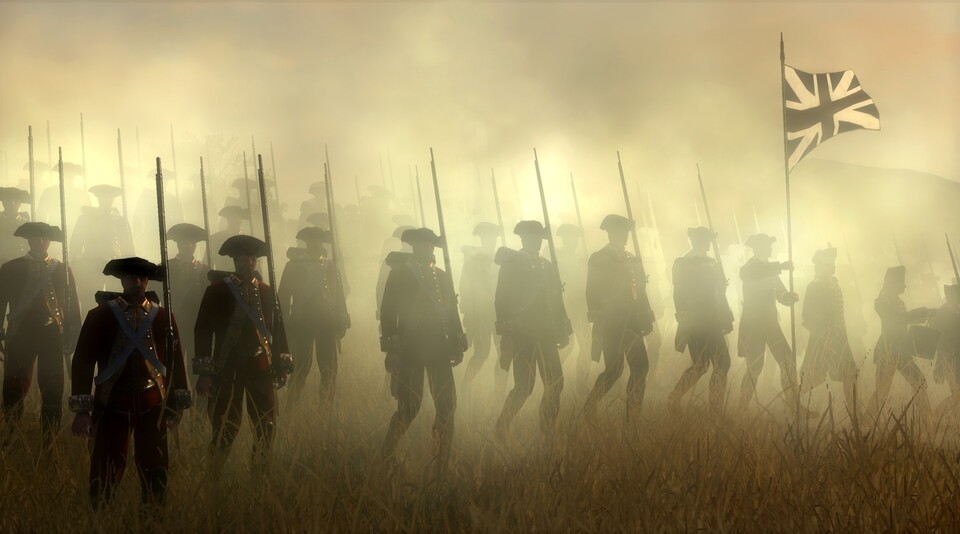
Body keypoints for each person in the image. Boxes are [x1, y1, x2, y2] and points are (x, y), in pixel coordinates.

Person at [69, 257, 191, 508]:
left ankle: (153, 519)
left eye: (142, 278)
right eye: (132, 278)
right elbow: (82, 362)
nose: (137, 282)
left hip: (152, 402)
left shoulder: (163, 317)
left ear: (147, 281)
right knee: (106, 467)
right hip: (112, 401)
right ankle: (101, 518)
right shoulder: (100, 315)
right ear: (122, 281)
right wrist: (82, 410)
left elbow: (176, 361)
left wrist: (176, 401)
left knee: (155, 466)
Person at [194, 235, 292, 477]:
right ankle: (213, 478)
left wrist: (281, 363)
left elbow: (277, 330)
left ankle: (260, 478)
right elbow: (203, 331)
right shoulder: (217, 291)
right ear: (234, 261)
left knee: (266, 426)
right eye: (242, 259)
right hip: (229, 368)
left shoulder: (268, 292)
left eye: (251, 259)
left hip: (260, 367)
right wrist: (206, 372)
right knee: (225, 427)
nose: (248, 264)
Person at [379, 228, 464, 466]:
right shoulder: (399, 274)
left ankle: (441, 454)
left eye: (429, 245)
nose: (425, 249)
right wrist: (392, 349)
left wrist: (457, 342)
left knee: (447, 403)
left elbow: (451, 311)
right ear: (414, 246)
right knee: (409, 406)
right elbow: (388, 313)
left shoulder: (442, 275)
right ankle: (388, 451)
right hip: (411, 348)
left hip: (439, 347)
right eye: (421, 245)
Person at [0, 222, 80, 446]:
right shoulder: (10, 268)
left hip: (51, 334)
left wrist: (73, 332)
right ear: (29, 240)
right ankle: (11, 435)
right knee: (14, 389)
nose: (40, 242)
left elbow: (72, 305)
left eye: (45, 238)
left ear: (49, 241)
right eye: (36, 238)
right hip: (20, 333)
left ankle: (50, 440)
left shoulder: (62, 270)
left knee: (53, 388)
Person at [494, 220, 570, 441]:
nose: (537, 240)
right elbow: (501, 299)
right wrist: (507, 333)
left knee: (555, 382)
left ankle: (547, 429)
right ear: (523, 238)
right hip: (523, 333)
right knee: (525, 386)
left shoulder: (547, 265)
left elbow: (556, 298)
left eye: (539, 236)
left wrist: (563, 325)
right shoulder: (512, 263)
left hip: (546, 333)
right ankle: (502, 425)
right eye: (532, 236)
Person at [582, 215, 654, 421]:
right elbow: (591, 289)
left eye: (626, 232)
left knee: (640, 367)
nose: (625, 236)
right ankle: (590, 406)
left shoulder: (631, 258)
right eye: (622, 232)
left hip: (632, 321)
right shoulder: (599, 258)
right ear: (612, 233)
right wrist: (601, 315)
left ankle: (632, 418)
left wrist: (647, 317)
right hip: (611, 322)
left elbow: (640, 291)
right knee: (614, 370)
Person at [735, 234, 809, 416]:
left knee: (788, 361)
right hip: (753, 325)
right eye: (767, 246)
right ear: (758, 248)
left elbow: (780, 293)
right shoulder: (750, 267)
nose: (770, 249)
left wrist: (788, 297)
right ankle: (741, 409)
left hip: (770, 324)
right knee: (755, 368)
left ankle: (793, 405)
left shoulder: (770, 269)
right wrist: (781, 266)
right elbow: (756, 272)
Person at [278, 227, 348, 410]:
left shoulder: (330, 265)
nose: (315, 244)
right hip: (303, 321)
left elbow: (338, 294)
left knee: (329, 369)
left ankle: (325, 410)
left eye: (318, 240)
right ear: (306, 243)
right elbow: (283, 294)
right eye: (311, 240)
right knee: (301, 367)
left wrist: (342, 314)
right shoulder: (293, 265)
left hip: (327, 321)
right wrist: (285, 319)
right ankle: (290, 409)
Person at [667, 226, 732, 415]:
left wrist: (725, 314)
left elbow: (718, 293)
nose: (708, 244)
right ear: (695, 241)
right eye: (705, 240)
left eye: (709, 240)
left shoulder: (711, 262)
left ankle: (715, 412)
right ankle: (674, 397)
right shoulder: (683, 262)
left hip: (712, 320)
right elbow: (678, 292)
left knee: (722, 364)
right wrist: (685, 319)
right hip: (696, 321)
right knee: (701, 365)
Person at [865, 266, 936, 422]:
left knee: (919, 383)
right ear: (892, 282)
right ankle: (865, 423)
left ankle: (928, 421)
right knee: (882, 390)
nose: (904, 286)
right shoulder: (881, 301)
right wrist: (923, 312)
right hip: (888, 349)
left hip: (901, 349)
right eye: (901, 282)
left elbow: (904, 319)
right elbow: (897, 320)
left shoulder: (896, 300)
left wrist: (927, 313)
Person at [798, 246, 860, 417]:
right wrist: (822, 331)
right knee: (813, 376)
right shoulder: (814, 287)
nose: (832, 266)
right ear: (819, 267)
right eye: (828, 264)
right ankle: (796, 406)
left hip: (840, 338)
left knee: (849, 374)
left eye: (832, 263)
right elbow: (806, 315)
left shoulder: (835, 284)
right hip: (822, 339)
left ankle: (855, 413)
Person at [460, 222, 506, 394]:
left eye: (493, 237)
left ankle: (499, 392)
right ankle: (465, 385)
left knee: (504, 353)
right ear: (481, 238)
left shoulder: (500, 257)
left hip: (499, 312)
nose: (491, 240)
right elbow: (465, 285)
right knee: (481, 354)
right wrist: (469, 311)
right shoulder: (473, 258)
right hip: (481, 312)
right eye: (487, 236)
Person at [71, 184, 135, 298]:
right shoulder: (86, 219)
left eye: (109, 197)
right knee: (91, 299)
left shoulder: (120, 220)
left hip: (116, 266)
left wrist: (131, 268)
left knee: (117, 300)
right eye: (103, 197)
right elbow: (76, 243)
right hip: (92, 265)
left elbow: (128, 245)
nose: (106, 201)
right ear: (98, 199)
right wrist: (78, 267)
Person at [166, 223, 210, 378]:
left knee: (198, 366)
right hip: (174, 322)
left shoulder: (204, 270)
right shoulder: (166, 268)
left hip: (197, 324)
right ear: (178, 244)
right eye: (185, 242)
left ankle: (200, 399)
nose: (189, 245)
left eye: (192, 242)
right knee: (173, 366)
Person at [555, 223, 592, 394]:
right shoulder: (556, 257)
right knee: (567, 346)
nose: (573, 241)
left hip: (580, 306)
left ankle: (582, 383)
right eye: (570, 238)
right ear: (563, 239)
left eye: (575, 238)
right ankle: (552, 377)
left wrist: (585, 266)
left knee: (586, 345)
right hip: (565, 306)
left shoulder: (579, 258)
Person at [932, 283, 960, 418]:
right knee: (958, 395)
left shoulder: (952, 310)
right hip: (949, 358)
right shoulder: (946, 312)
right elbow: (947, 338)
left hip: (953, 358)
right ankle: (935, 417)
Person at [208, 206, 249, 271]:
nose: (237, 220)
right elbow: (208, 261)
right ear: (228, 219)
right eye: (233, 217)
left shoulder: (247, 239)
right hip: (225, 277)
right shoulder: (216, 239)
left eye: (239, 217)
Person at [0, 187, 31, 264]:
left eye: (15, 201)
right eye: (9, 201)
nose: (12, 204)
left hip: (20, 262)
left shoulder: (25, 223)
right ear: (3, 202)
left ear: (20, 203)